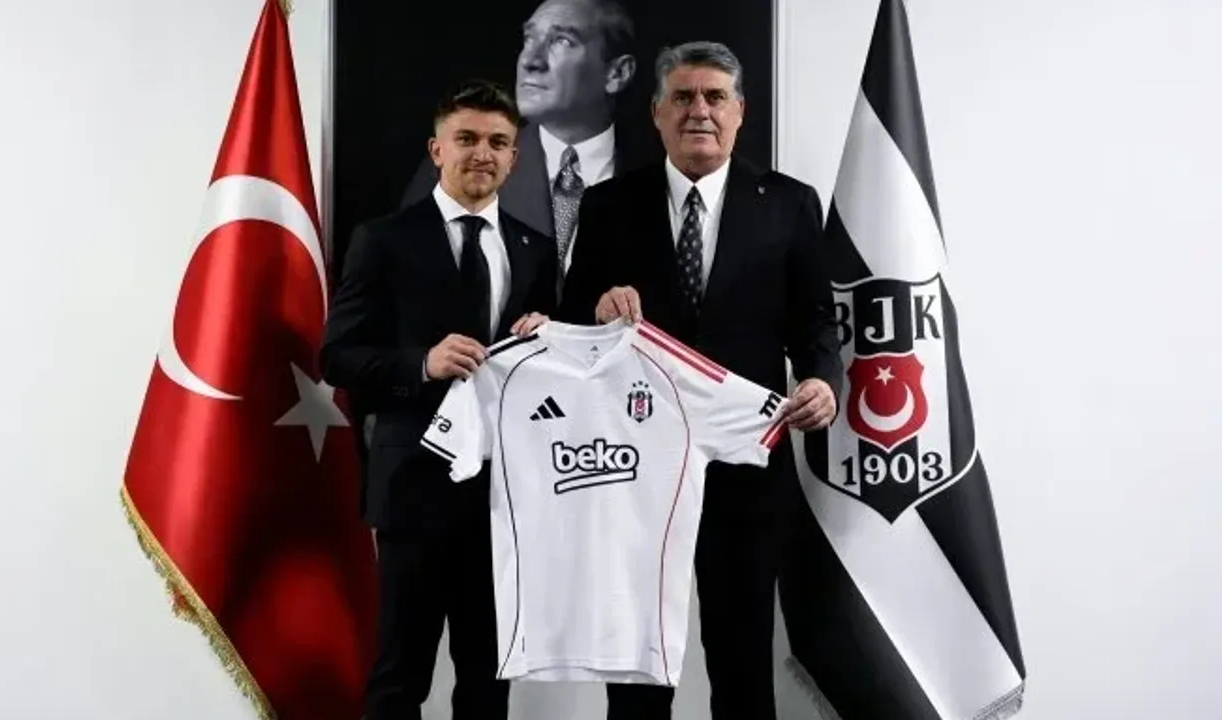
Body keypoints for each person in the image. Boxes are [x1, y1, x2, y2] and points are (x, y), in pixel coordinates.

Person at [557, 41, 844, 720]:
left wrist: (823, 382)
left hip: (746, 470)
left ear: (740, 111)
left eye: (715, 97)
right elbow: (569, 323)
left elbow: (816, 324)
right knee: (637, 675)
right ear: (656, 113)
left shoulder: (790, 205)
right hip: (633, 470)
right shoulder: (607, 204)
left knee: (742, 669)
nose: (699, 111)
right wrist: (596, 309)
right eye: (682, 97)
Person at [320, 80, 558, 720]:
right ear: (437, 150)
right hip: (412, 492)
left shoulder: (537, 250)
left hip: (505, 499)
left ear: (514, 157)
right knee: (399, 678)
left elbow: (551, 379)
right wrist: (420, 364)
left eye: (498, 142)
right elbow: (337, 357)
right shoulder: (382, 239)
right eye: (467, 139)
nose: (483, 153)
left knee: (487, 682)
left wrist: (550, 342)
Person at [400, 0, 638, 276]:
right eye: (529, 38)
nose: (529, 61)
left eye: (562, 40)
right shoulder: (452, 167)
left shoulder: (660, 170)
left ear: (617, 73)